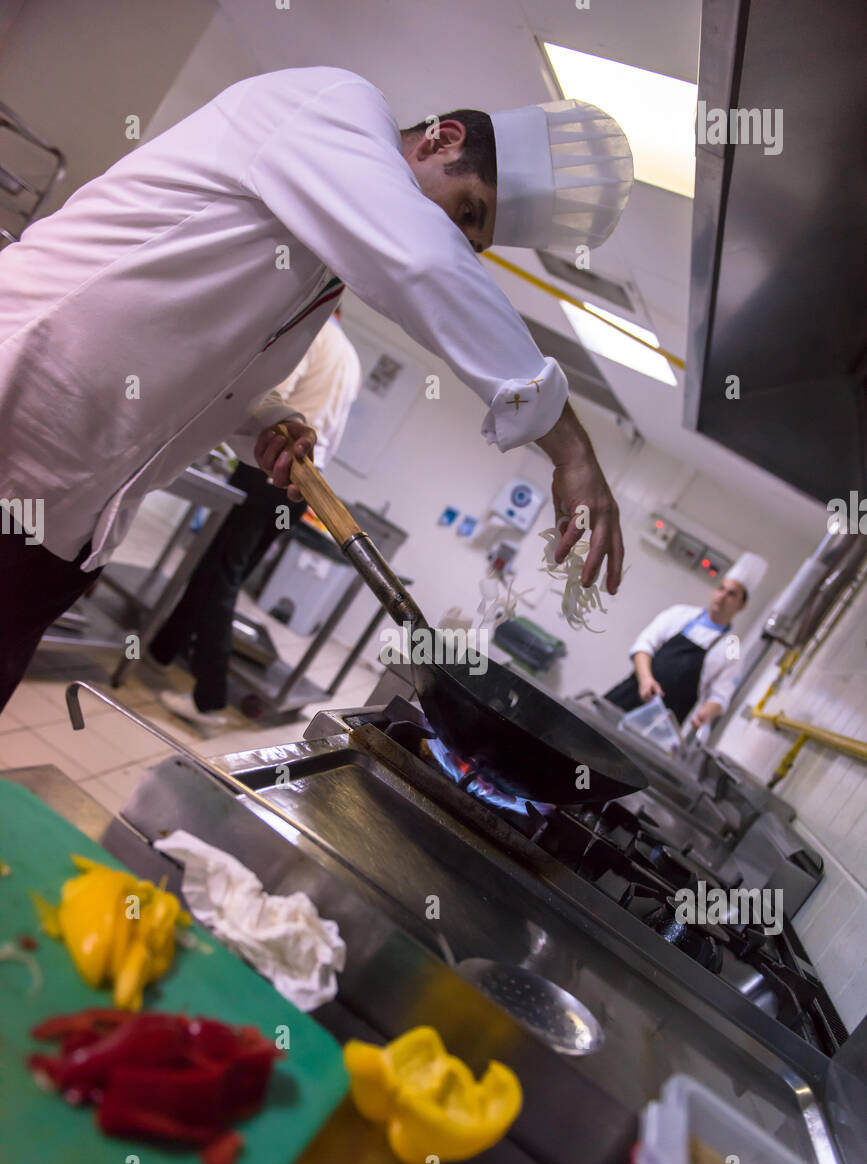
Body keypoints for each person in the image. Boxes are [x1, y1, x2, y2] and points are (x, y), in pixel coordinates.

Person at [0, 68, 634, 712]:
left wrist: (265, 417)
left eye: (470, 240)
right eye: (465, 212)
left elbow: (208, 369)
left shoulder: (317, 267)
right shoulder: (333, 104)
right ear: (441, 140)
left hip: (62, 524)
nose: (453, 238)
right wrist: (572, 450)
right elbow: (422, 260)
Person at [151, 314, 362, 730]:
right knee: (221, 567)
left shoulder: (311, 329)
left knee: (221, 575)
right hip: (303, 483)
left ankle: (209, 699)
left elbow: (273, 396)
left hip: (268, 467)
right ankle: (162, 648)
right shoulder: (350, 357)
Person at [604, 555, 765, 734]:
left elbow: (721, 695)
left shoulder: (733, 647)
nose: (722, 596)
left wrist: (708, 712)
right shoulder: (679, 613)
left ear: (741, 605)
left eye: (732, 594)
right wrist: (646, 679)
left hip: (664, 723)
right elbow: (643, 645)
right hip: (630, 693)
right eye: (721, 589)